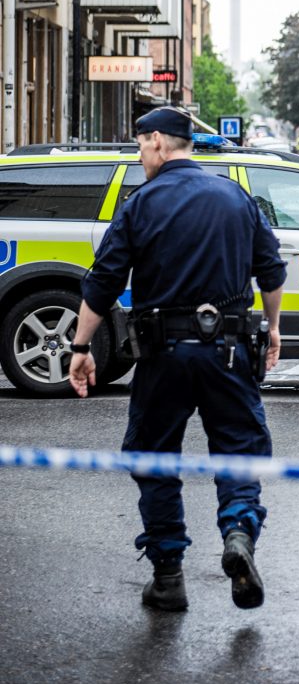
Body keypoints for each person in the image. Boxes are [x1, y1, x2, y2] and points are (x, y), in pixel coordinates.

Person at [68, 107, 287, 612]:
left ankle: (168, 577)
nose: (140, 154)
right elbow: (271, 273)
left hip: (163, 354)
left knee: (153, 456)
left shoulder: (142, 203)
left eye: (142, 144)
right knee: (238, 448)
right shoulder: (235, 197)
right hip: (229, 353)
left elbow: (104, 282)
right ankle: (237, 533)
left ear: (162, 143)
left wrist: (81, 348)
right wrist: (273, 329)